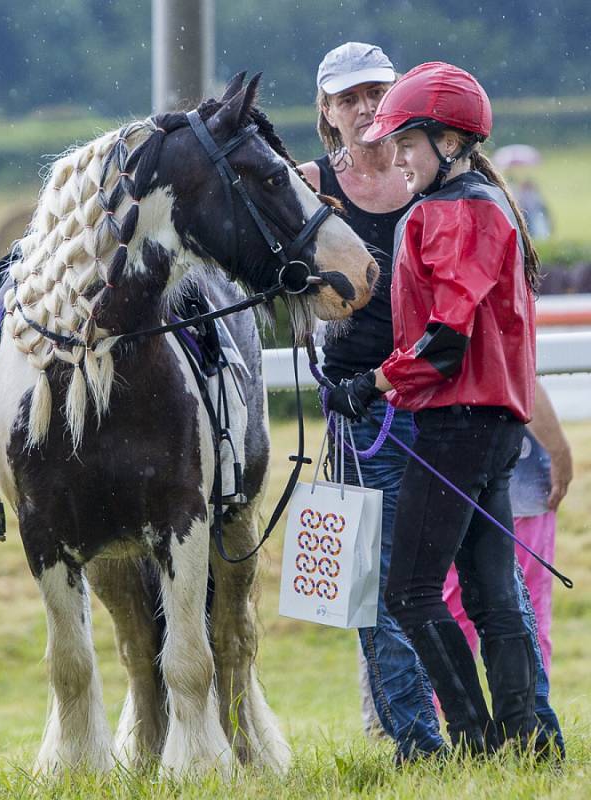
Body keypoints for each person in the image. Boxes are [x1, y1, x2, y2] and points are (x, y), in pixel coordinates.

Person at [327, 61, 562, 754]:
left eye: (409, 142)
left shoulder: (453, 212)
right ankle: (529, 741)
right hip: (492, 429)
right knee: (491, 595)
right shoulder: (483, 203)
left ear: (452, 142)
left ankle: (472, 738)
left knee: (409, 592)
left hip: (457, 425)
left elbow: (445, 343)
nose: (396, 155)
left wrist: (371, 383)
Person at [300, 42, 446, 761]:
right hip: (363, 417)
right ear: (326, 111)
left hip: (448, 400)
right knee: (375, 585)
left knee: (463, 574)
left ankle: (498, 726)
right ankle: (415, 740)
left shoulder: (437, 177)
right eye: (347, 96)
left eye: (375, 92)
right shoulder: (307, 186)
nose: (363, 106)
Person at [443, 379, 573, 674]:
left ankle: (449, 708)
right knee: (527, 606)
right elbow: (523, 380)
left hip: (453, 475)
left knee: (453, 605)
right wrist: (559, 452)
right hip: (519, 484)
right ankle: (531, 707)